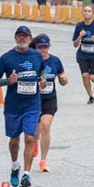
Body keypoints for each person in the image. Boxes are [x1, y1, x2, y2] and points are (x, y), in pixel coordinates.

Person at [0, 25, 44, 187]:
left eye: (25, 36)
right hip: (13, 106)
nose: (22, 39)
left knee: (30, 138)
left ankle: (26, 174)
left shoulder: (36, 55)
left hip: (32, 104)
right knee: (14, 141)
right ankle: (15, 166)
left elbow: (41, 71)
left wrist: (42, 79)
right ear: (15, 38)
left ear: (30, 38)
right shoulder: (7, 58)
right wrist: (8, 81)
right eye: (19, 36)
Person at [33, 35, 68, 173]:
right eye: (40, 47)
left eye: (45, 47)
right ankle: (34, 142)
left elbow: (63, 79)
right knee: (34, 133)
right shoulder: (31, 60)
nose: (43, 50)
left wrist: (64, 79)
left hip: (49, 99)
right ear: (35, 48)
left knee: (46, 126)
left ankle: (43, 161)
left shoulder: (55, 61)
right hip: (34, 100)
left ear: (49, 47)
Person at [72, 5, 94, 103]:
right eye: (85, 11)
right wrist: (79, 36)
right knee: (85, 75)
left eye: (89, 11)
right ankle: (91, 96)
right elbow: (75, 44)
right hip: (82, 55)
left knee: (93, 77)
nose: (87, 13)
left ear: (92, 13)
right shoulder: (79, 26)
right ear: (82, 12)